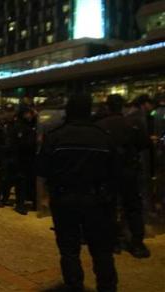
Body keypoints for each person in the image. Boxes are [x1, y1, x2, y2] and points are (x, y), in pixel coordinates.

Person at [37, 95, 118, 291]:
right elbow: (115, 171)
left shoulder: (56, 136)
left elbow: (41, 169)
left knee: (69, 249)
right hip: (97, 200)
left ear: (68, 111)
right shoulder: (103, 136)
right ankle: (107, 287)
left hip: (65, 199)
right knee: (101, 250)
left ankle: (75, 285)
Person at [97, 95, 151, 258]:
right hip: (129, 170)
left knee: (110, 207)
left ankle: (113, 241)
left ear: (107, 107)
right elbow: (144, 145)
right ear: (122, 106)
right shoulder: (134, 123)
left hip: (108, 172)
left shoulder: (100, 125)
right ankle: (137, 243)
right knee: (133, 207)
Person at [11, 105, 37, 215]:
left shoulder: (33, 125)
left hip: (32, 158)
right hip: (21, 158)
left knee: (31, 181)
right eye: (28, 113)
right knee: (21, 181)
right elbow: (19, 144)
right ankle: (20, 204)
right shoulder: (19, 126)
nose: (29, 115)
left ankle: (32, 201)